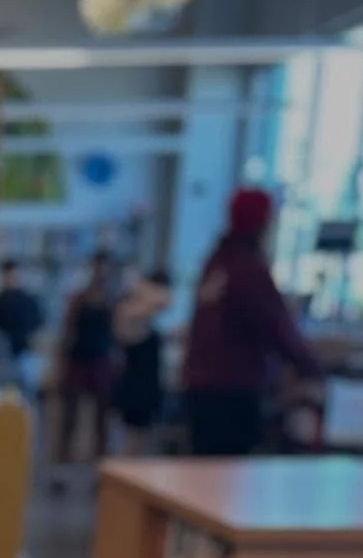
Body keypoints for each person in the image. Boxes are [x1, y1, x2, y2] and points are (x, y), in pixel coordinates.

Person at [182, 187, 324, 458]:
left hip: (201, 386)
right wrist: (313, 367)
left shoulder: (217, 262)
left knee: (205, 472)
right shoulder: (248, 268)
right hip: (231, 390)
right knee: (227, 479)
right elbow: (278, 327)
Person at [49, 251, 117, 491]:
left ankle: (99, 470)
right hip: (78, 360)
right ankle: (61, 468)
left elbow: (117, 335)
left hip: (100, 362)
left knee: (101, 420)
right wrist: (59, 365)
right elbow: (67, 333)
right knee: (69, 417)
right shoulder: (78, 299)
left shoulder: (112, 300)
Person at [112, 267, 172, 450]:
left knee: (141, 441)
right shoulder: (130, 312)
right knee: (131, 442)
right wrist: (143, 289)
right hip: (136, 386)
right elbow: (163, 301)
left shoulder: (146, 317)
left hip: (148, 386)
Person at [0, 258, 44, 392]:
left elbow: (37, 326)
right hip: (5, 354)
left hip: (24, 352)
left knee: (26, 393)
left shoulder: (29, 300)